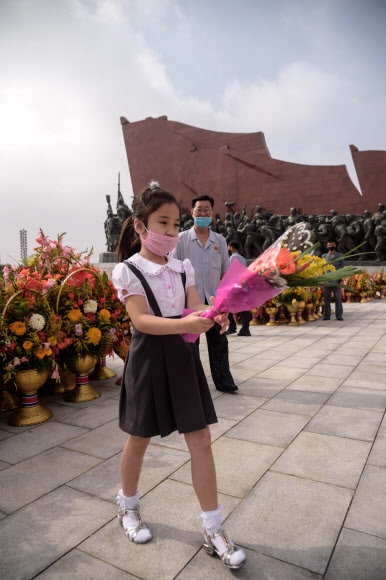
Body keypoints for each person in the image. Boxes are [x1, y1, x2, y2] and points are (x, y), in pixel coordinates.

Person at [112, 182, 245, 570]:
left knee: (201, 438)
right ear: (140, 226)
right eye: (163, 223)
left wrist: (214, 312)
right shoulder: (129, 270)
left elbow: (193, 307)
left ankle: (213, 526)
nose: (171, 232)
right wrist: (185, 322)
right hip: (149, 358)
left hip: (184, 356)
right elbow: (140, 320)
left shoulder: (182, 266)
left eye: (175, 225)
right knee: (139, 437)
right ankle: (128, 505)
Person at [171, 195, 238, 393]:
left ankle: (224, 381)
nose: (203, 213)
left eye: (207, 210)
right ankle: (194, 384)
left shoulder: (220, 240)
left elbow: (225, 272)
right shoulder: (181, 240)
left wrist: (226, 299)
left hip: (214, 303)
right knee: (190, 346)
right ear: (192, 213)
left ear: (212, 214)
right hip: (189, 303)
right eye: (199, 210)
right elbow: (175, 269)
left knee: (219, 342)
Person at [226, 241, 251, 336]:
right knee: (244, 307)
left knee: (226, 305)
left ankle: (232, 326)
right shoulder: (243, 258)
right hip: (243, 284)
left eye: (229, 247)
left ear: (231, 247)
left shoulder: (232, 258)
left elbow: (230, 272)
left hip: (235, 285)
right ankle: (245, 328)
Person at [322, 241, 345, 321]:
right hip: (327, 281)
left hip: (336, 280)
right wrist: (321, 279)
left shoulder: (340, 256)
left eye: (332, 245)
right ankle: (327, 315)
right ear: (327, 246)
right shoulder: (324, 256)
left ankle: (339, 315)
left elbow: (342, 268)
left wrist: (342, 279)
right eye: (329, 245)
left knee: (338, 298)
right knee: (327, 299)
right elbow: (322, 269)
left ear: (335, 245)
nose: (330, 246)